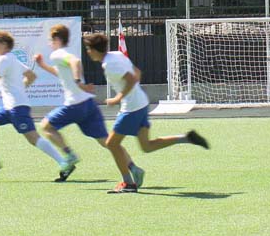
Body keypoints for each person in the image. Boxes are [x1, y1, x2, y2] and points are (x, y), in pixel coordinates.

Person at [82, 33, 209, 194]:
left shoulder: (109, 64)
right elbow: (137, 72)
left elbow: (131, 79)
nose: (87, 52)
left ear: (95, 49)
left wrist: (117, 98)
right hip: (141, 103)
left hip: (131, 108)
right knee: (146, 146)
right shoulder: (117, 54)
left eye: (88, 49)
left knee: (111, 144)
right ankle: (186, 138)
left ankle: (128, 183)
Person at [33, 23, 133, 182]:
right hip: (88, 104)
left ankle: (69, 155)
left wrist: (78, 82)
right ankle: (133, 167)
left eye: (50, 40)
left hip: (75, 105)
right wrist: (42, 65)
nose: (49, 44)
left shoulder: (58, 54)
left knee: (45, 126)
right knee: (106, 141)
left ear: (57, 39)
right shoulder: (61, 55)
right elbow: (61, 73)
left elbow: (75, 62)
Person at [0, 30, 66, 176]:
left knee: (33, 138)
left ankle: (64, 163)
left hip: (16, 108)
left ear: (4, 44)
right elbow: (32, 76)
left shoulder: (2, 60)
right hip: (10, 107)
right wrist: (19, 89)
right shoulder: (12, 59)